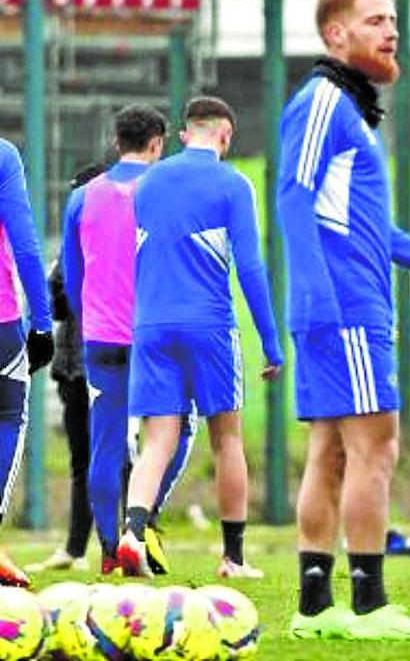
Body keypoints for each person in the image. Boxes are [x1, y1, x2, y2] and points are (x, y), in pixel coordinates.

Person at [279, 0, 410, 642]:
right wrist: (314, 298)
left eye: (393, 19)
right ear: (336, 35)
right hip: (346, 311)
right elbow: (291, 197)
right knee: (376, 448)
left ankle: (315, 608)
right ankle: (367, 604)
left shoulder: (349, 112)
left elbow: (372, 231)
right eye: (374, 21)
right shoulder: (321, 103)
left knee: (332, 452)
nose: (391, 31)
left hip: (344, 306)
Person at [116, 96, 283, 580]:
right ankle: (233, 558)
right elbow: (250, 267)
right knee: (226, 439)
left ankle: (132, 533)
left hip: (150, 326)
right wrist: (271, 344)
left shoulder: (147, 183)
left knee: (157, 440)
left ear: (186, 134)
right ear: (225, 138)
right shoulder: (232, 183)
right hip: (208, 326)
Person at [61, 106, 199, 577]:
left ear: (116, 141)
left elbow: (72, 274)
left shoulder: (82, 197)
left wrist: (91, 320)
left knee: (104, 445)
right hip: (156, 334)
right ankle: (140, 523)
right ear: (159, 144)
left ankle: (106, 550)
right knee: (173, 434)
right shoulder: (165, 192)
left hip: (101, 338)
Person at [28, 161, 106, 574]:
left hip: (106, 362)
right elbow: (57, 301)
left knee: (113, 456)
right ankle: (77, 548)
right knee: (85, 459)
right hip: (74, 364)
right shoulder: (72, 247)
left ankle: (123, 543)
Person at [0, 137, 55, 587]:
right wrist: (42, 324)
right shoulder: (3, 155)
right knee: (8, 417)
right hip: (0, 326)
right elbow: (26, 246)